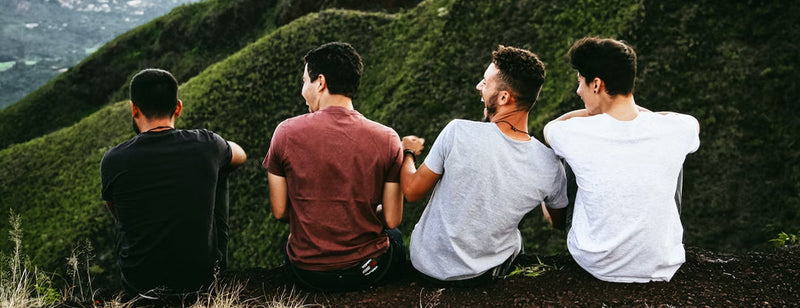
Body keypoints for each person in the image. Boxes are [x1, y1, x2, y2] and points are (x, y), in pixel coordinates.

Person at [401, 45, 569, 286]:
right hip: (482, 275)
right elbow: (557, 222)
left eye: (485, 82)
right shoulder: (550, 164)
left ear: (503, 97)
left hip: (426, 266)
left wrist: (407, 152)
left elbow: (412, 191)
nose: (478, 87)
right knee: (516, 238)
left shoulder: (457, 131)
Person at [544, 37, 701, 283]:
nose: (578, 91)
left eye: (580, 83)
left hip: (596, 261)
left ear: (596, 84)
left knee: (568, 157)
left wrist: (592, 113)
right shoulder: (678, 129)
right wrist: (639, 114)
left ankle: (561, 224)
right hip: (661, 263)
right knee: (673, 154)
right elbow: (689, 122)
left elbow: (550, 128)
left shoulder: (573, 132)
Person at [263, 42, 405, 291]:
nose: (302, 90)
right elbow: (392, 219)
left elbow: (280, 211)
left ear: (320, 82)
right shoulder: (388, 138)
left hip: (307, 272)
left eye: (304, 81)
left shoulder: (285, 133)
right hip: (367, 271)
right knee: (396, 238)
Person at [100, 68, 247, 297]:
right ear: (178, 107)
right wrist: (217, 149)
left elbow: (119, 214)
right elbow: (241, 155)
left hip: (139, 284)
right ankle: (219, 270)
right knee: (222, 169)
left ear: (133, 108)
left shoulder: (113, 160)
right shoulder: (206, 144)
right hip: (199, 281)